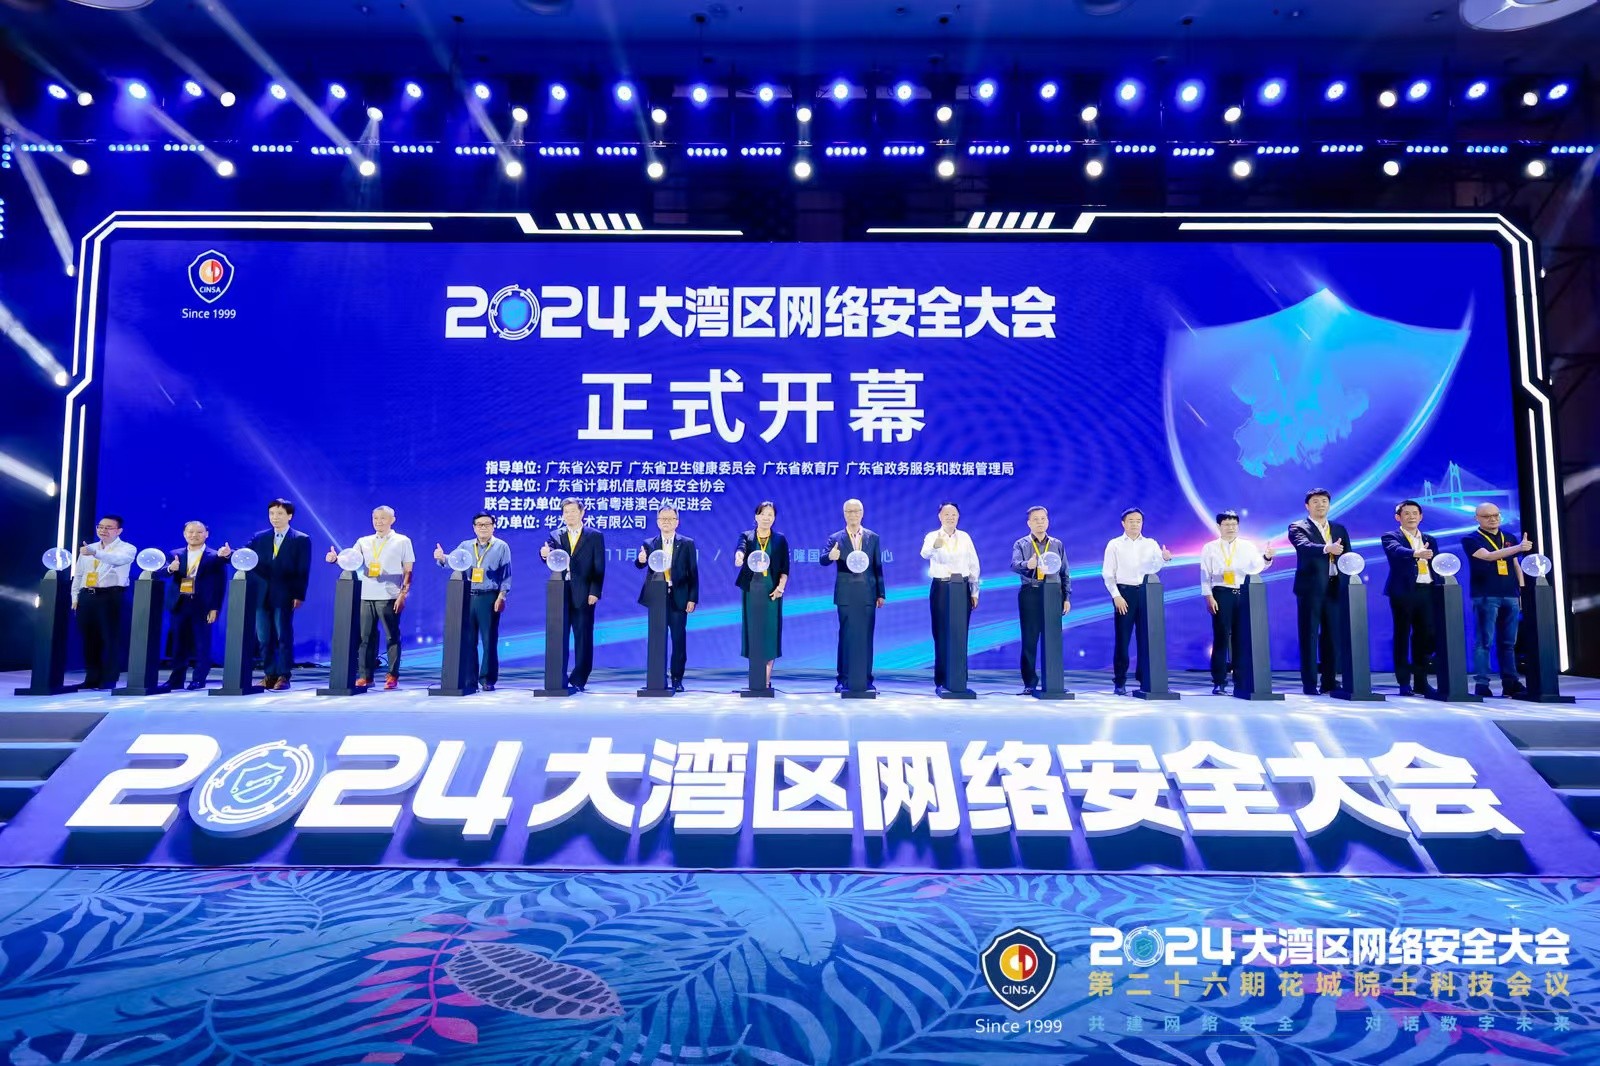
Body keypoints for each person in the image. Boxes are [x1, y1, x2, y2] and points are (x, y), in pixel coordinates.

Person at [221, 498, 310, 690]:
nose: (275, 517)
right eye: (272, 514)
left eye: (280, 513)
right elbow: (244, 555)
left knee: (283, 636)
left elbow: (303, 569)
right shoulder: (259, 537)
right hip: (261, 594)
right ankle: (270, 674)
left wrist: (299, 594)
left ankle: (284, 676)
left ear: (289, 516)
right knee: (263, 637)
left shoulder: (301, 539)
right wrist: (229, 554)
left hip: (284, 594)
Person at [327, 505, 415, 690]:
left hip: (390, 595)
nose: (379, 522)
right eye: (375, 518)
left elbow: (408, 570)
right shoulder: (363, 541)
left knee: (392, 637)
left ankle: (392, 675)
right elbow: (350, 560)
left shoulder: (402, 541)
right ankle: (365, 676)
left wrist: (403, 593)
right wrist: (335, 559)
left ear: (392, 520)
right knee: (365, 638)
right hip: (366, 595)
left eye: (383, 518)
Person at [432, 513, 511, 692]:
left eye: (487, 524)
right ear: (474, 527)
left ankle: (487, 679)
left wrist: (502, 596)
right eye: (479, 524)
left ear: (493, 527)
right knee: (468, 640)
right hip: (466, 596)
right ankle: (469, 679)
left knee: (489, 640)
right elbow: (453, 561)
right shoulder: (465, 546)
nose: (483, 527)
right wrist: (441, 557)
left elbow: (506, 574)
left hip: (488, 597)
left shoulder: (501, 546)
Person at [1199, 510, 1275, 695]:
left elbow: (1257, 567)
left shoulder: (1247, 546)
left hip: (1243, 593)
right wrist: (1208, 596)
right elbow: (1204, 574)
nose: (1231, 528)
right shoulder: (1209, 547)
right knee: (1221, 637)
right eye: (1227, 524)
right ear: (1219, 526)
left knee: (1241, 638)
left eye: (1234, 524)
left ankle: (1240, 680)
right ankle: (1219, 681)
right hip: (1221, 593)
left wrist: (1267, 558)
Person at [1288, 488, 1353, 696]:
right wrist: (1327, 548)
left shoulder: (1339, 528)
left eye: (1324, 501)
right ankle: (1309, 683)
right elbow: (1304, 547)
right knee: (1309, 635)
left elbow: (1348, 556)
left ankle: (1329, 681)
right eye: (1315, 501)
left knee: (1333, 636)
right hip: (1310, 589)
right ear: (1307, 506)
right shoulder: (1298, 527)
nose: (1320, 505)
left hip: (1335, 587)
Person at [1101, 507, 1173, 696]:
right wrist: (1116, 596)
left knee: (1147, 638)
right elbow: (1108, 574)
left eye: (1138, 521)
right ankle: (1120, 681)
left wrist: (1164, 559)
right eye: (1131, 521)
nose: (1135, 524)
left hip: (1147, 593)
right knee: (1123, 639)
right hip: (1124, 594)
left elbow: (1155, 567)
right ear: (1123, 523)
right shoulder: (1114, 544)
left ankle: (1146, 679)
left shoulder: (1150, 543)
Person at [1463, 503, 1532, 698]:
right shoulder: (1471, 539)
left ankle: (1510, 682)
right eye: (1487, 516)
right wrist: (1518, 548)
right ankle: (1482, 683)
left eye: (1496, 515)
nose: (1492, 519)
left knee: (1509, 642)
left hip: (1510, 594)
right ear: (1477, 518)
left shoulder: (1509, 537)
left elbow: (1515, 564)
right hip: (1486, 595)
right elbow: (1488, 556)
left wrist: (1521, 590)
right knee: (1484, 641)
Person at [540, 497, 605, 691]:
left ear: (582, 513)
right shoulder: (555, 535)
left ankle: (579, 678)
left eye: (573, 511)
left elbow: (599, 567)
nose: (569, 515)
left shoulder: (594, 535)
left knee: (583, 636)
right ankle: (558, 676)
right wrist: (543, 554)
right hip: (560, 591)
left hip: (584, 592)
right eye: (566, 512)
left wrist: (595, 591)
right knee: (559, 635)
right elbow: (550, 557)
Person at [822, 498, 886, 693]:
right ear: (844, 514)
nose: (853, 515)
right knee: (847, 636)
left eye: (856, 511)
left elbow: (877, 566)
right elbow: (823, 560)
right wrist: (830, 556)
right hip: (846, 594)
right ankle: (843, 679)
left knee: (866, 636)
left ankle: (866, 679)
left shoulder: (873, 537)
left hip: (867, 593)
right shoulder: (836, 538)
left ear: (862, 513)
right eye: (849, 511)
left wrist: (881, 593)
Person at [634, 505, 698, 691]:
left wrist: (692, 598)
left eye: (670, 519)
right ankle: (657, 677)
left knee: (678, 640)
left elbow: (693, 573)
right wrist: (641, 559)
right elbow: (640, 564)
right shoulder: (650, 543)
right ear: (657, 522)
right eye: (663, 519)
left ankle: (677, 679)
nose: (666, 522)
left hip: (678, 597)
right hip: (656, 597)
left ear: (677, 522)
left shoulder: (687, 543)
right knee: (656, 638)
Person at [920, 501, 981, 696]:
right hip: (941, 587)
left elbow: (973, 564)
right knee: (941, 632)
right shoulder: (932, 536)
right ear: (940, 517)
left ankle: (959, 679)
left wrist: (974, 592)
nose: (950, 517)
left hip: (961, 588)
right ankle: (941, 679)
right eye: (946, 514)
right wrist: (935, 546)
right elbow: (924, 554)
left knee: (960, 633)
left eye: (953, 514)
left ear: (958, 516)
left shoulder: (965, 537)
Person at [1380, 500, 1440, 697]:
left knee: (1425, 636)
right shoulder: (1391, 537)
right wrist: (1416, 553)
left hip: (1427, 591)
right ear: (1398, 517)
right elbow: (1396, 551)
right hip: (1403, 592)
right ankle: (1404, 682)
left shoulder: (1429, 539)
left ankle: (1421, 682)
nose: (1411, 516)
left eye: (1415, 513)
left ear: (1421, 516)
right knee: (1402, 635)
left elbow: (1436, 564)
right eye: (1407, 513)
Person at [1010, 506, 1071, 695]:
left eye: (1043, 518)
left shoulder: (1057, 544)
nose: (1040, 522)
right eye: (1035, 519)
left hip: (1053, 594)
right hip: (1031, 592)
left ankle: (1053, 681)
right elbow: (1014, 565)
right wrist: (1028, 564)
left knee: (1053, 638)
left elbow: (1065, 572)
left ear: (1048, 521)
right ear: (1029, 523)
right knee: (1030, 639)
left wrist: (1066, 597)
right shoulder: (1021, 544)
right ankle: (1029, 683)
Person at [72, 514, 136, 691]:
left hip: (111, 596)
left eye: (108, 527)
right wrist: (75, 597)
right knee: (89, 638)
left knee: (111, 638)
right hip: (87, 596)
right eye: (100, 527)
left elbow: (117, 560)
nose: (103, 530)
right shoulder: (89, 548)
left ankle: (109, 678)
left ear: (119, 531)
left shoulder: (127, 548)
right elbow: (79, 574)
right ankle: (92, 677)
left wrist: (95, 553)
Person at [164, 521, 226, 690]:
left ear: (206, 534)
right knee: (178, 644)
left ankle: (199, 679)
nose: (194, 535)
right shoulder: (175, 554)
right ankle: (176, 679)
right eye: (190, 532)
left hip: (203, 605)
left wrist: (215, 608)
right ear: (184, 534)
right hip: (180, 603)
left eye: (199, 532)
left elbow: (220, 585)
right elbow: (161, 571)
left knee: (202, 644)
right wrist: (171, 568)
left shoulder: (215, 556)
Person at [734, 501, 790, 688]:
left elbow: (785, 568)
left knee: (769, 633)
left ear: (774, 518)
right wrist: (739, 556)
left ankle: (765, 680)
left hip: (771, 591)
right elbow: (741, 548)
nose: (766, 518)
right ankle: (755, 677)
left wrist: (780, 588)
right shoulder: (747, 536)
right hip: (751, 589)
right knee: (754, 631)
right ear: (756, 516)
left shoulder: (780, 539)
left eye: (770, 515)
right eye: (763, 514)